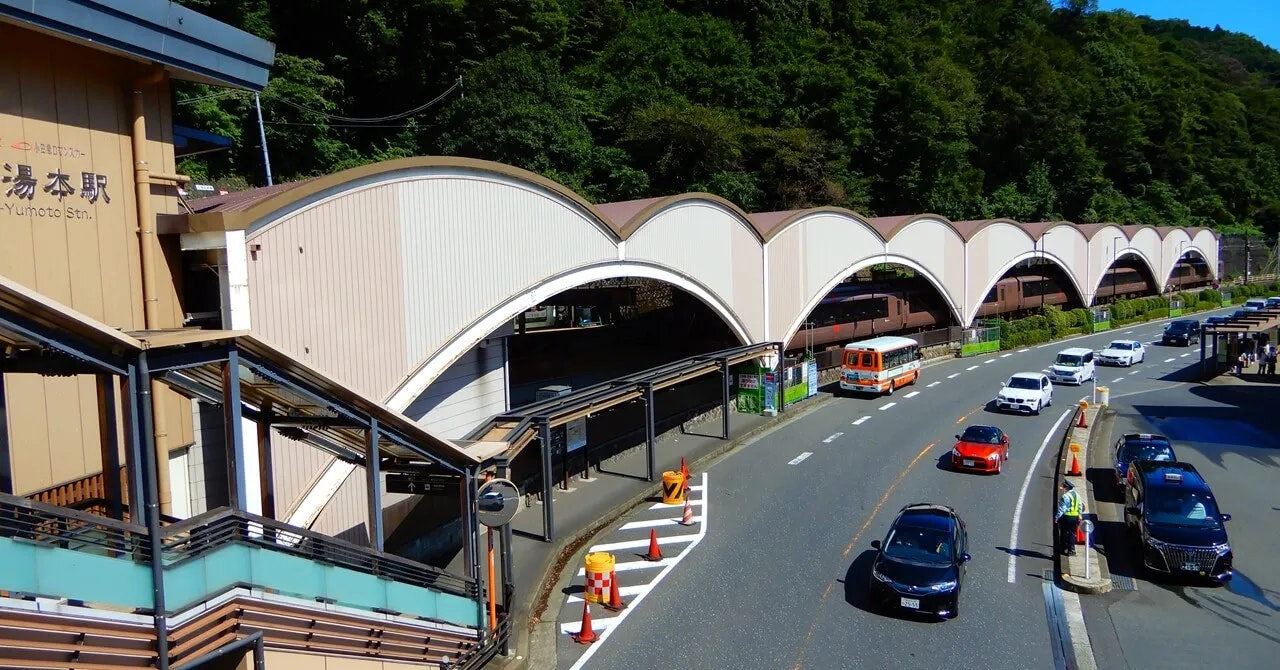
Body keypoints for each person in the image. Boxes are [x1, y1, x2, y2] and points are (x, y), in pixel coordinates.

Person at [1054, 480, 1083, 557]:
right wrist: (1080, 516)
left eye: (1064, 486)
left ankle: (1063, 548)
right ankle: (1072, 550)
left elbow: (1062, 509)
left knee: (1063, 533)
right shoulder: (1078, 495)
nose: (1063, 487)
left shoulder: (1065, 496)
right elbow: (1080, 507)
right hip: (1075, 517)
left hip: (1066, 517)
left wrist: (1057, 517)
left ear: (1067, 487)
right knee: (1072, 533)